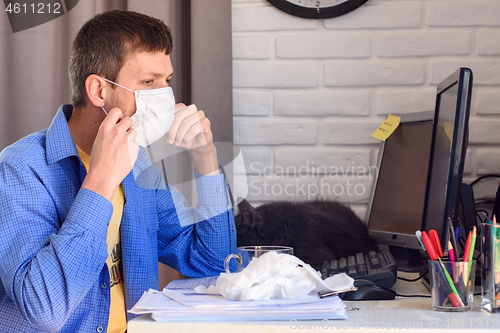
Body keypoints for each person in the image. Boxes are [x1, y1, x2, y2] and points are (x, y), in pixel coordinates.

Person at [0, 10, 236, 333]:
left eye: (166, 82)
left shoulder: (139, 166)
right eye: (148, 82)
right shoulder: (20, 169)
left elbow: (215, 262)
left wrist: (205, 158)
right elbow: (44, 307)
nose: (164, 96)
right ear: (98, 91)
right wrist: (99, 181)